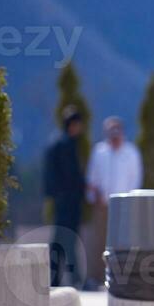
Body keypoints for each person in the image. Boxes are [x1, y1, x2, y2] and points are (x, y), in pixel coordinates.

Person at [85, 116, 143, 291]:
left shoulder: (131, 153)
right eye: (111, 132)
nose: (114, 136)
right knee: (99, 242)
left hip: (124, 206)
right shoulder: (100, 152)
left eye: (117, 131)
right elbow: (92, 178)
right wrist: (94, 197)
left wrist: (130, 200)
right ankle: (96, 277)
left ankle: (123, 277)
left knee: (124, 242)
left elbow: (136, 179)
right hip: (102, 205)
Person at [42, 106, 85, 289]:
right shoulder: (66, 145)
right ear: (73, 125)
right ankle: (73, 279)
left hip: (61, 201)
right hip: (69, 203)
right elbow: (69, 176)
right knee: (67, 240)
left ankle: (55, 279)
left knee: (59, 241)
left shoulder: (57, 143)